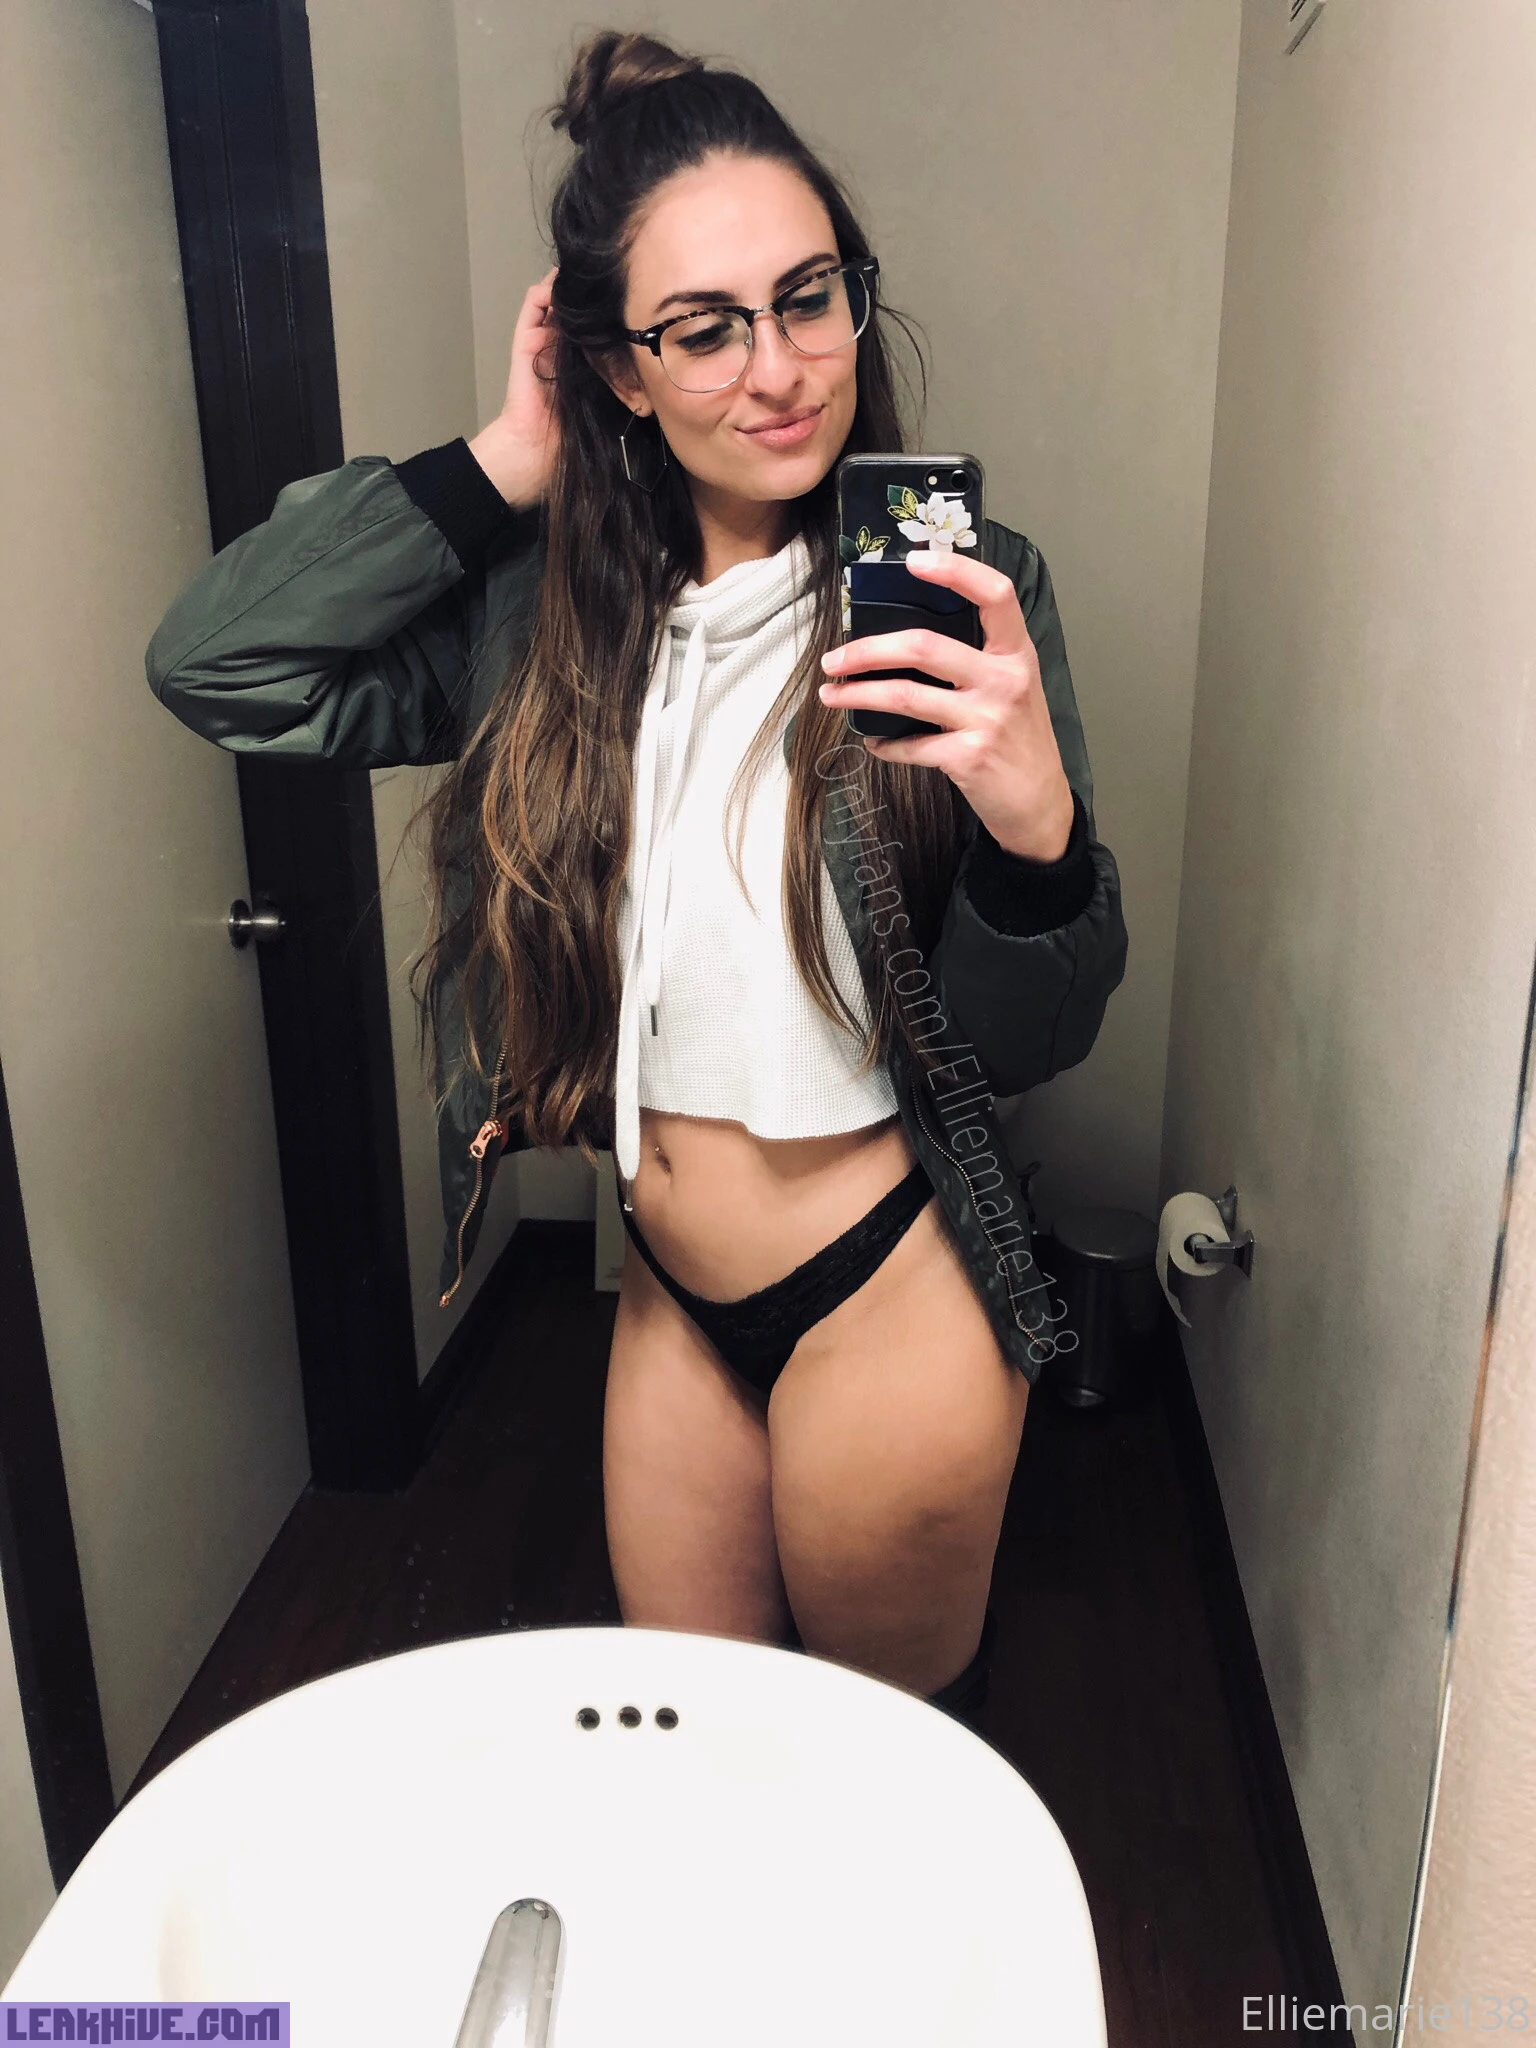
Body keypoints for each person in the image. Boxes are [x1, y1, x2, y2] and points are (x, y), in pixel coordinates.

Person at [145, 30, 1128, 1734]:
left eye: (808, 298)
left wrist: (1037, 836)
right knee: (695, 1760)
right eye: (705, 327)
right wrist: (497, 464)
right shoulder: (538, 617)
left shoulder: (958, 593)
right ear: (616, 368)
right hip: (664, 1293)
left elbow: (1030, 1041)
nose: (780, 370)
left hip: (886, 1293)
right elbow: (222, 662)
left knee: (881, 1776)